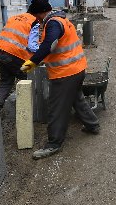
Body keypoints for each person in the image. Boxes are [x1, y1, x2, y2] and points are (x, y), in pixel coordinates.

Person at [21, 9, 100, 160]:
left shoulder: (53, 24)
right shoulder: (63, 20)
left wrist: (29, 65)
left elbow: (47, 46)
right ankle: (93, 124)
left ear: (40, 14)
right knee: (76, 98)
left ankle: (54, 144)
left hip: (65, 73)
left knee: (57, 107)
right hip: (77, 69)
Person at [0, 0, 52, 109]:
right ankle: (34, 110)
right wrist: (44, 50)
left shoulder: (15, 17)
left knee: (6, 82)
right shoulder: (34, 22)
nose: (46, 17)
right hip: (14, 56)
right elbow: (32, 46)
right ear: (40, 13)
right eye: (46, 13)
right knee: (32, 78)